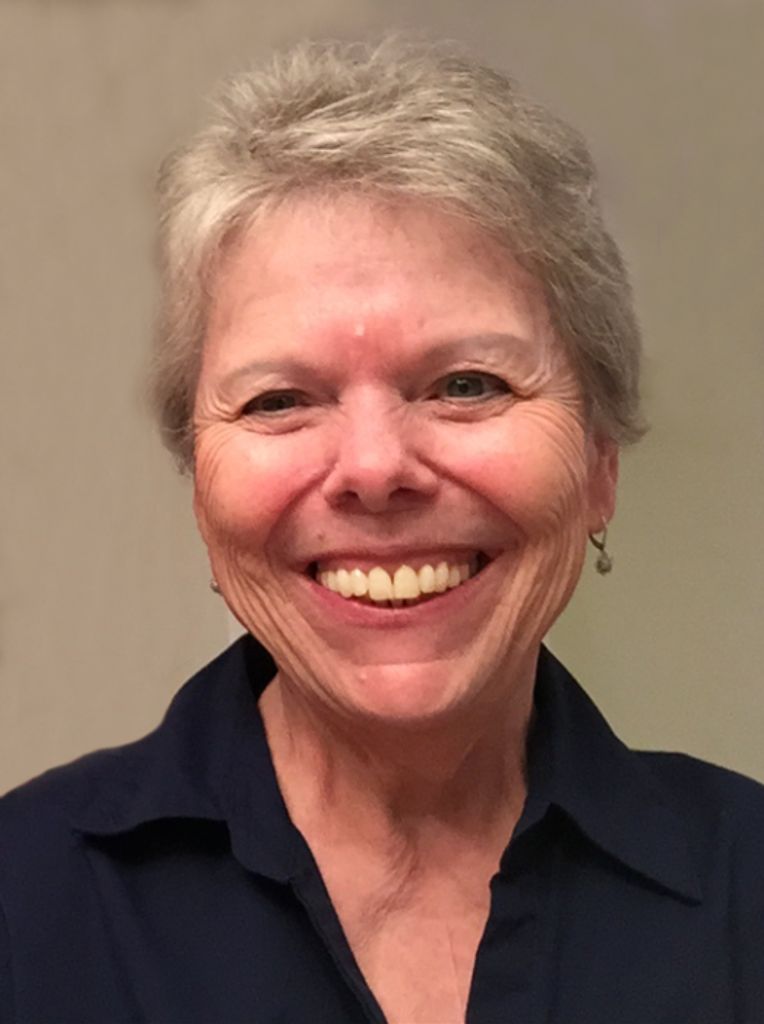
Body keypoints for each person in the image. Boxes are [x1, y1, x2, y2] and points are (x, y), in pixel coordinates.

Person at [1, 37, 762, 1024]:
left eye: (467, 384)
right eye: (280, 400)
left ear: (598, 467)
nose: (372, 468)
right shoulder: (24, 904)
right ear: (201, 488)